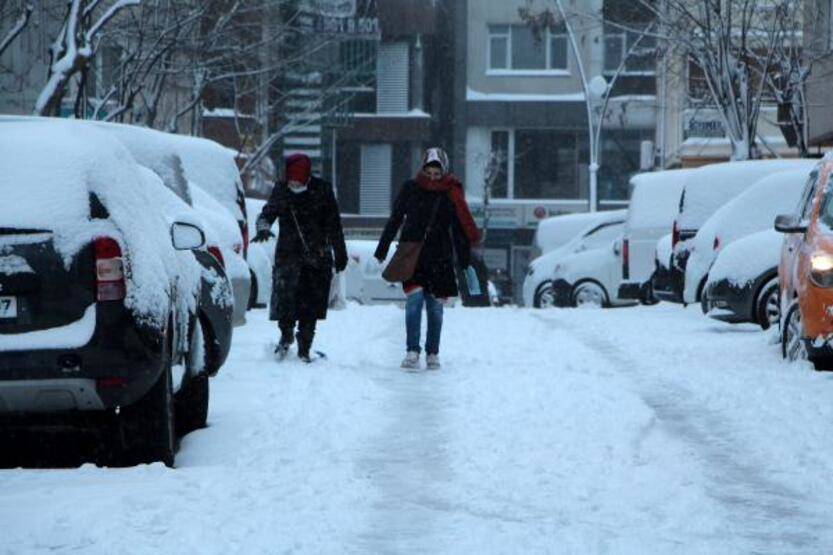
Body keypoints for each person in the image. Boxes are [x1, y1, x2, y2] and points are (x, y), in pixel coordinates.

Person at [374, 147, 481, 370]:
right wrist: (382, 248)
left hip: (440, 258)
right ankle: (412, 350)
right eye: (429, 172)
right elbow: (395, 218)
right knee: (413, 303)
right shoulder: (411, 189)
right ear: (423, 169)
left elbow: (459, 227)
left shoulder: (451, 193)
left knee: (435, 308)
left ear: (444, 171)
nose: (432, 177)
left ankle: (433, 352)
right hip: (413, 255)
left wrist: (464, 259)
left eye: (437, 173)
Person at [251, 153, 348, 362]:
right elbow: (267, 213)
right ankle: (286, 335)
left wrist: (341, 253)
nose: (294, 183)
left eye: (298, 179)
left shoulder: (322, 190)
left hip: (317, 257)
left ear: (306, 176)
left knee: (310, 306)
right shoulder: (282, 190)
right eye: (291, 179)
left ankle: (305, 346)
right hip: (288, 257)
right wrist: (263, 227)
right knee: (286, 302)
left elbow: (334, 225)